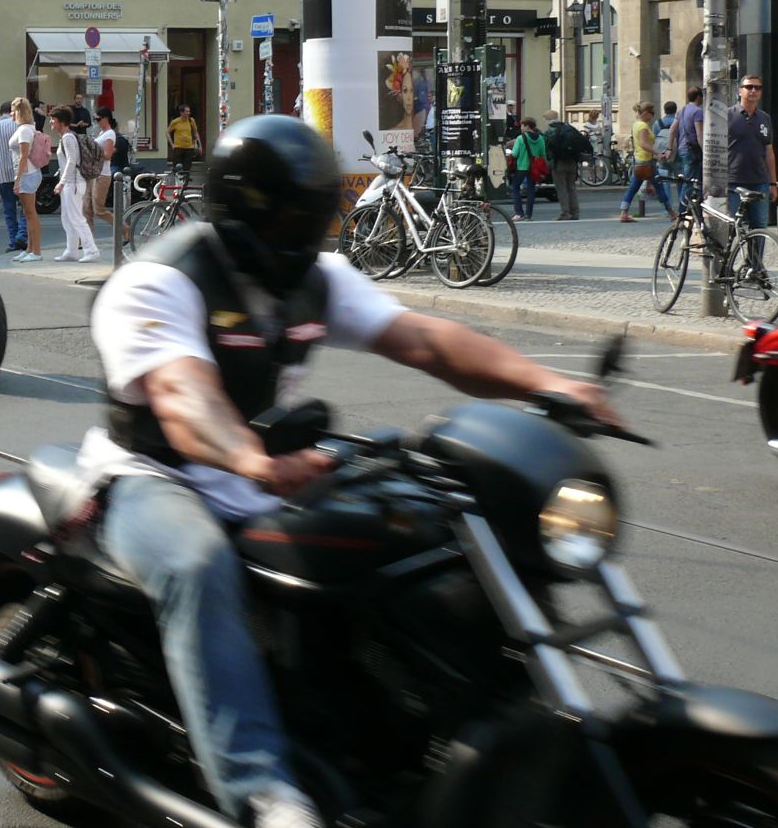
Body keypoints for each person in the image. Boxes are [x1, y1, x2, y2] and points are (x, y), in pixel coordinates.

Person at [83, 114, 619, 828]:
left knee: (419, 530)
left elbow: (424, 338)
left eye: (314, 215)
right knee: (197, 564)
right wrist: (248, 458)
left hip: (270, 468)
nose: (305, 232)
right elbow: (184, 398)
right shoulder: (160, 282)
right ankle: (262, 792)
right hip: (157, 476)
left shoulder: (316, 277)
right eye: (290, 216)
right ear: (245, 209)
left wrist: (548, 383)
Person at [49, 106, 101, 263]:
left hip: (73, 183)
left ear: (61, 122)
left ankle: (91, 250)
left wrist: (62, 182)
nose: (51, 122)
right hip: (71, 183)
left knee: (76, 218)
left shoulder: (68, 138)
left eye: (53, 119)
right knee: (67, 218)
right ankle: (71, 251)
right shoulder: (66, 137)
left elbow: (72, 161)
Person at [730, 75, 778, 234]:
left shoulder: (765, 118)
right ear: (740, 91)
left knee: (759, 228)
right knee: (729, 228)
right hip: (732, 183)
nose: (753, 90)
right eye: (749, 87)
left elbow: (769, 151)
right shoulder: (728, 115)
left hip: (759, 182)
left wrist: (773, 183)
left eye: (757, 88)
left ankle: (755, 253)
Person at [619, 102, 673, 222]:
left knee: (634, 187)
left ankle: (624, 212)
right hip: (646, 161)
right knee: (659, 187)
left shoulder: (636, 124)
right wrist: (657, 153)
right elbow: (644, 144)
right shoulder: (643, 126)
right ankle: (671, 212)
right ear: (645, 113)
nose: (652, 116)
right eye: (651, 113)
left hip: (639, 160)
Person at [9, 98, 45, 262]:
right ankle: (30, 249)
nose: (11, 114)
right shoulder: (27, 128)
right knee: (28, 213)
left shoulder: (24, 130)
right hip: (28, 173)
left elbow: (24, 155)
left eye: (13, 110)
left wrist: (18, 179)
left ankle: (36, 251)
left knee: (30, 213)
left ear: (19, 111)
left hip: (27, 174)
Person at [0, 99, 24, 252]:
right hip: (21, 173)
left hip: (3, 174)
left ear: (1, 112)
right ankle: (22, 235)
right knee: (26, 207)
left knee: (9, 210)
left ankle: (13, 240)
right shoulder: (20, 125)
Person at [544, 110, 586, 220]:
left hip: (559, 163)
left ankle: (565, 213)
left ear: (548, 120)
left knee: (562, 188)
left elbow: (547, 149)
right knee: (571, 188)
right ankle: (575, 213)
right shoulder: (568, 128)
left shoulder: (550, 131)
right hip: (572, 162)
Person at [506, 117, 545, 222]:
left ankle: (519, 213)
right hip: (534, 168)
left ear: (527, 126)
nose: (521, 128)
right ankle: (528, 215)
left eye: (522, 126)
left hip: (522, 166)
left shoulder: (520, 138)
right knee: (531, 190)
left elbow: (514, 154)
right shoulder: (540, 138)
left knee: (515, 187)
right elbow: (543, 154)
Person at [93, 108, 120, 228]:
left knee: (98, 210)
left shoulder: (110, 134)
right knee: (86, 208)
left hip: (103, 175)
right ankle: (86, 237)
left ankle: (123, 228)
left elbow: (107, 155)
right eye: (95, 119)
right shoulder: (102, 133)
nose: (97, 121)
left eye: (98, 119)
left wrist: (93, 151)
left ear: (106, 119)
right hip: (95, 173)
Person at [677, 87, 705, 182]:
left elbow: (672, 130)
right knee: (690, 181)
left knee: (684, 179)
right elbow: (699, 134)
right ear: (698, 97)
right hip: (692, 151)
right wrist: (705, 151)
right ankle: (684, 193)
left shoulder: (682, 110)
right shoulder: (698, 111)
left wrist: (670, 148)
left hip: (682, 148)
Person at [168, 106, 203, 178]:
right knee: (177, 167)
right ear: (181, 112)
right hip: (178, 148)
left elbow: (195, 133)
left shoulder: (191, 120)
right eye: (186, 111)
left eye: (189, 111)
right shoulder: (175, 122)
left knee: (187, 168)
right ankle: (177, 181)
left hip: (189, 148)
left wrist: (199, 145)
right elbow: (167, 132)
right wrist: (172, 144)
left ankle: (185, 182)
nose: (188, 113)